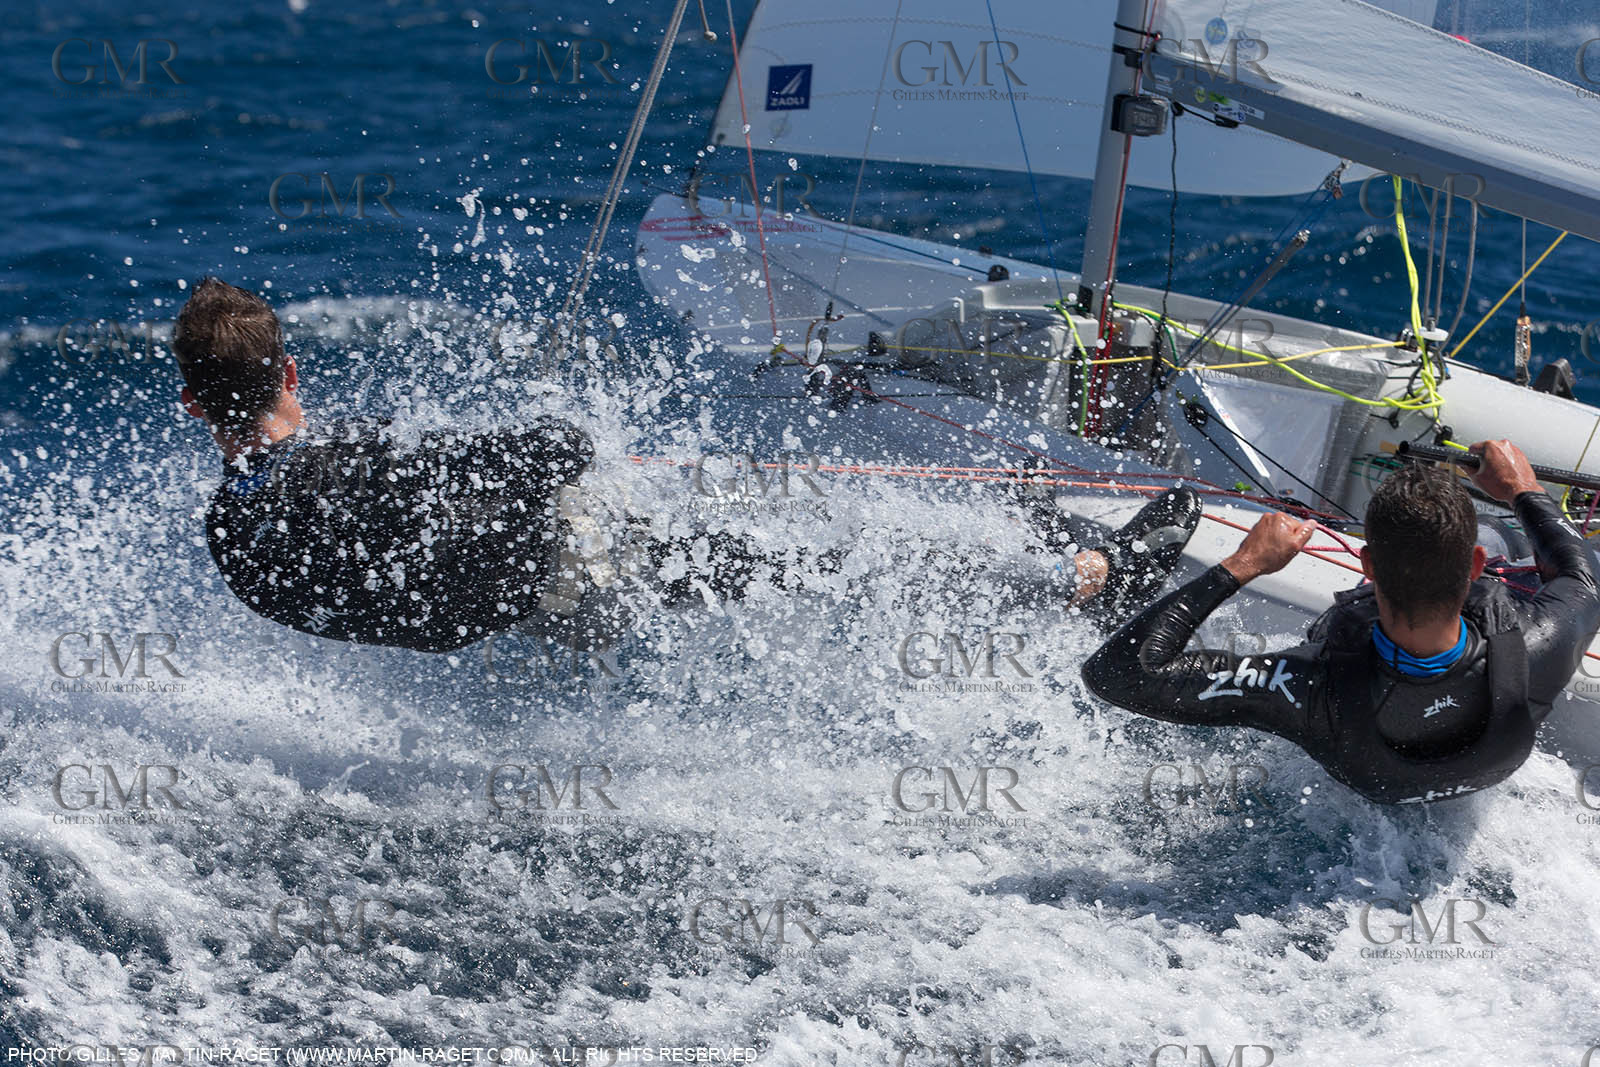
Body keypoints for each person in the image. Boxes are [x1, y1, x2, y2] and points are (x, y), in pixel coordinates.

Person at [174, 277, 1202, 654]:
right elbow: (545, 450)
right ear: (290, 368)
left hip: (487, 617)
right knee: (825, 566)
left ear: (193, 404)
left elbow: (316, 601)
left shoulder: (229, 528)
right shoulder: (356, 454)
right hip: (553, 570)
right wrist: (564, 444)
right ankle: (1088, 578)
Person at [1083, 439, 1600, 804]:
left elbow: (1119, 674)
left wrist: (1244, 565)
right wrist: (1523, 489)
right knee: (1496, 534)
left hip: (1366, 782)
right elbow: (1583, 575)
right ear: (1474, 570)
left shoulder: (1307, 688)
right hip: (1477, 776)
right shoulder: (1542, 641)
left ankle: (1109, 578)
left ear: (1367, 566)